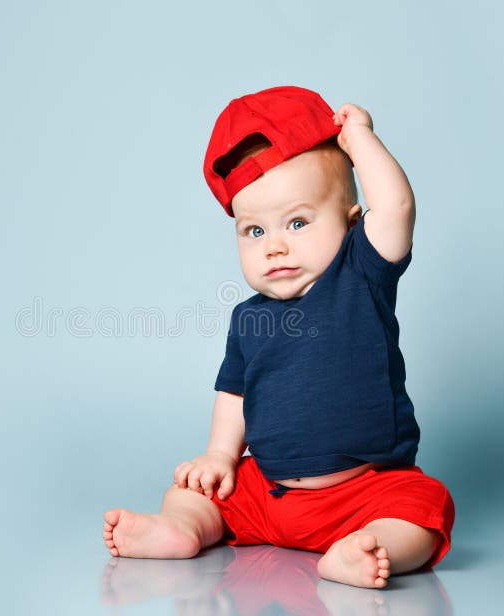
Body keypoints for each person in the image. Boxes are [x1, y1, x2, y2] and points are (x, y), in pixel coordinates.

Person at [103, 85, 455, 589]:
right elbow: (234, 395)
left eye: (297, 221)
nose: (276, 247)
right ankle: (182, 528)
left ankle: (363, 549)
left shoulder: (361, 277)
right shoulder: (250, 318)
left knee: (424, 505)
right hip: (269, 493)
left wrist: (360, 141)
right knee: (190, 488)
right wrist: (220, 457)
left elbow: (395, 207)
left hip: (360, 493)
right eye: (255, 231)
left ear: (351, 224)